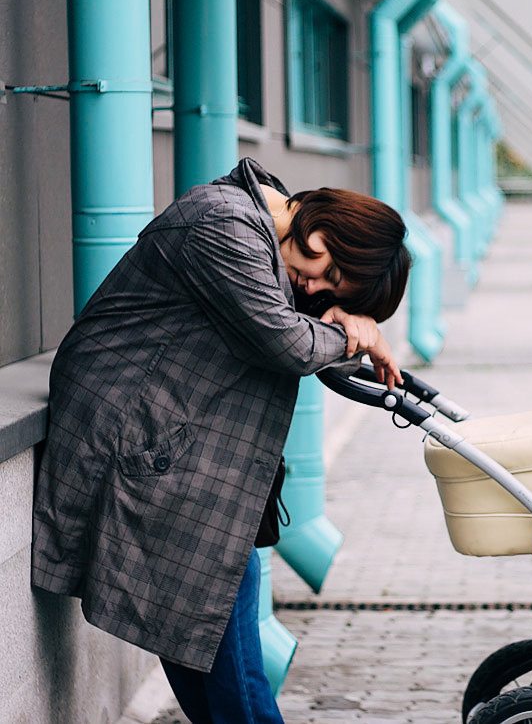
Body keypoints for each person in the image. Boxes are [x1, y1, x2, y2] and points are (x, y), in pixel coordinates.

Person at [31, 157, 410, 723]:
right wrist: (348, 334)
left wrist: (339, 325)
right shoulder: (223, 225)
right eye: (328, 271)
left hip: (175, 451)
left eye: (334, 289)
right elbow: (287, 342)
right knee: (223, 654)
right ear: (326, 228)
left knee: (211, 650)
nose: (314, 286)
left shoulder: (264, 229)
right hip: (142, 446)